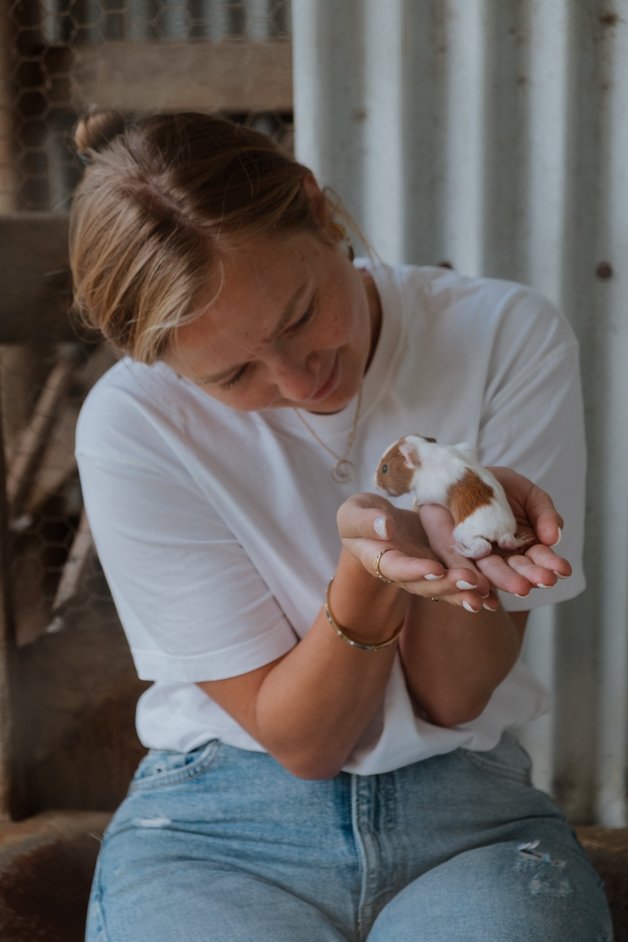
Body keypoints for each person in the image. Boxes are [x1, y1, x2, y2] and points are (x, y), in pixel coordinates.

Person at [70, 110, 612, 942]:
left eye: (297, 316)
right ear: (166, 367)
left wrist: (447, 518)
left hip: (469, 816)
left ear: (317, 209)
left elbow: (455, 694)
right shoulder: (135, 425)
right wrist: (369, 575)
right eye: (235, 373)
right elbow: (305, 743)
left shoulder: (504, 336)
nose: (296, 378)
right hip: (220, 829)